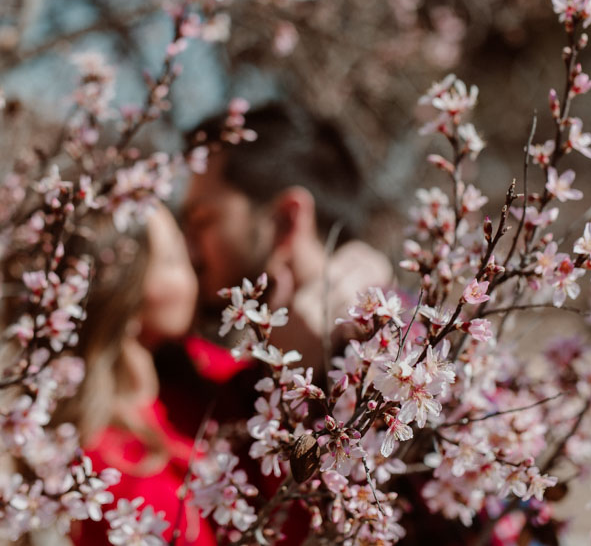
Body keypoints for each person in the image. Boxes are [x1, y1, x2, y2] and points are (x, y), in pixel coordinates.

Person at [179, 102, 395, 374]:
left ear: (286, 221)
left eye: (202, 220)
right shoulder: (216, 376)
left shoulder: (396, 354)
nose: (187, 249)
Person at [55, 206, 216, 546]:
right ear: (125, 299)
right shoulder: (115, 468)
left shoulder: (189, 382)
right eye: (173, 257)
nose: (196, 264)